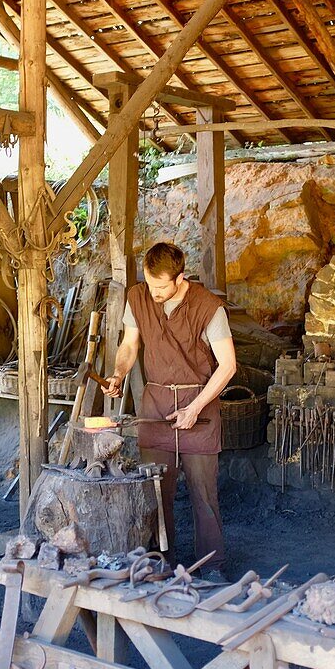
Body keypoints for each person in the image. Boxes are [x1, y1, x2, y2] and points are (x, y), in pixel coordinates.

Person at [103, 242, 236, 582]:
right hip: (157, 405)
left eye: (161, 286)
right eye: (150, 284)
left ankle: (212, 566)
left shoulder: (208, 308)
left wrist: (195, 408)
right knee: (155, 491)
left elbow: (228, 366)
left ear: (180, 277)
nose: (155, 292)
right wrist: (118, 373)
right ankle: (160, 562)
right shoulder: (139, 298)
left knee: (203, 493)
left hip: (199, 407)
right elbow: (130, 343)